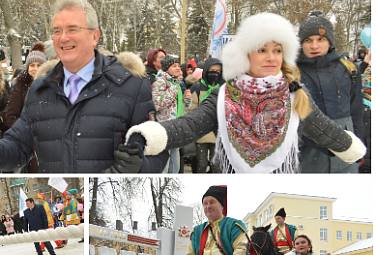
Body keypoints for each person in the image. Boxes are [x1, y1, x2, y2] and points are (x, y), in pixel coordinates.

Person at [124, 12, 366, 173]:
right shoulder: (225, 95)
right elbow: (189, 125)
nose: (271, 57)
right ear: (246, 55)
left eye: (277, 50)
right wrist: (146, 137)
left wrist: (350, 148)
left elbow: (323, 128)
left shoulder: (293, 94)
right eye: (262, 50)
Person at [0, 0, 168, 174]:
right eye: (57, 31)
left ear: (94, 36)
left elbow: (158, 152)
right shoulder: (40, 90)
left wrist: (140, 166)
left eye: (72, 29)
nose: (63, 38)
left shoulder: (131, 86)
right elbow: (19, 145)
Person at [296, 11, 364, 173]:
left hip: (346, 156)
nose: (314, 46)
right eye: (308, 40)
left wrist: (361, 147)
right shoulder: (291, 73)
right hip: (307, 157)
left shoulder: (349, 70)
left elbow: (357, 112)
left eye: (321, 39)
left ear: (330, 41)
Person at [4, 42, 47, 172]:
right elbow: (11, 115)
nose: (35, 68)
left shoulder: (52, 85)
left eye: (39, 65)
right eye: (32, 65)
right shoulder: (20, 86)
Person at [151, 55, 192, 173]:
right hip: (164, 130)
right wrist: (174, 89)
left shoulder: (177, 83)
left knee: (175, 169)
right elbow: (158, 104)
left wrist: (187, 100)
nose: (178, 68)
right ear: (166, 68)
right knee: (164, 168)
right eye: (174, 66)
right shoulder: (160, 82)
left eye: (178, 65)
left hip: (176, 129)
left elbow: (182, 109)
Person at [187, 58, 226, 173]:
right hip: (201, 133)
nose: (214, 73)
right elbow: (191, 110)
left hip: (218, 133)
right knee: (201, 164)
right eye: (211, 70)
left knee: (216, 165)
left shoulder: (225, 89)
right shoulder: (197, 88)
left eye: (217, 70)